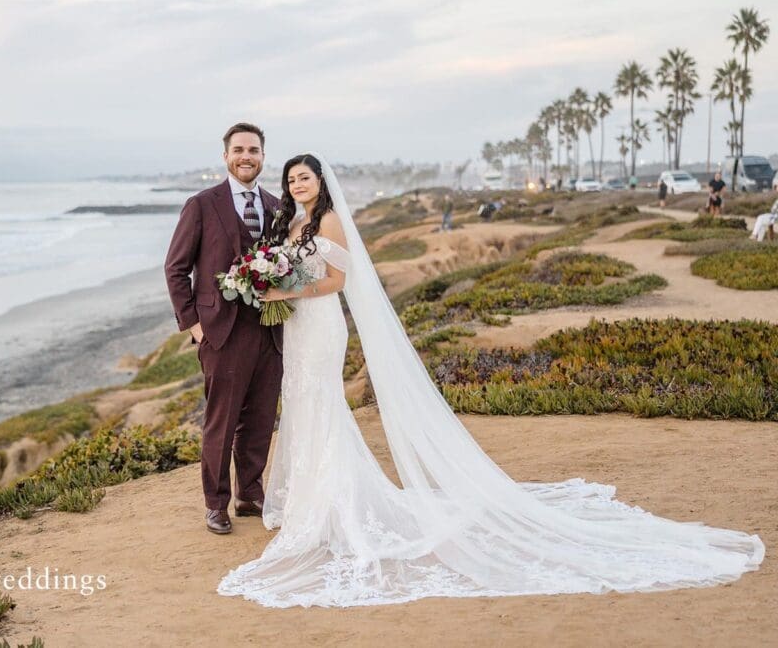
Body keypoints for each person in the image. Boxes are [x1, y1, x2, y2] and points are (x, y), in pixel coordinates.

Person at [217, 152, 763, 608]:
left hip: (321, 325)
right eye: (291, 179)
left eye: (304, 177)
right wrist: (269, 280)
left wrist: (283, 290)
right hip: (298, 332)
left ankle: (331, 506)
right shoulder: (290, 224)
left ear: (320, 181)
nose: (297, 184)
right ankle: (308, 500)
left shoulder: (330, 221)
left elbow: (336, 279)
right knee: (304, 408)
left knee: (323, 406)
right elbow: (289, 266)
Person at [163, 123, 284, 536]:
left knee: (261, 418)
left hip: (270, 330)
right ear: (226, 156)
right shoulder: (201, 204)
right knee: (221, 421)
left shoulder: (275, 205)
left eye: (253, 149)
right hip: (220, 332)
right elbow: (176, 269)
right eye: (238, 150)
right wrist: (194, 327)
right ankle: (216, 504)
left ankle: (249, 493)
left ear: (263, 156)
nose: (245, 156)